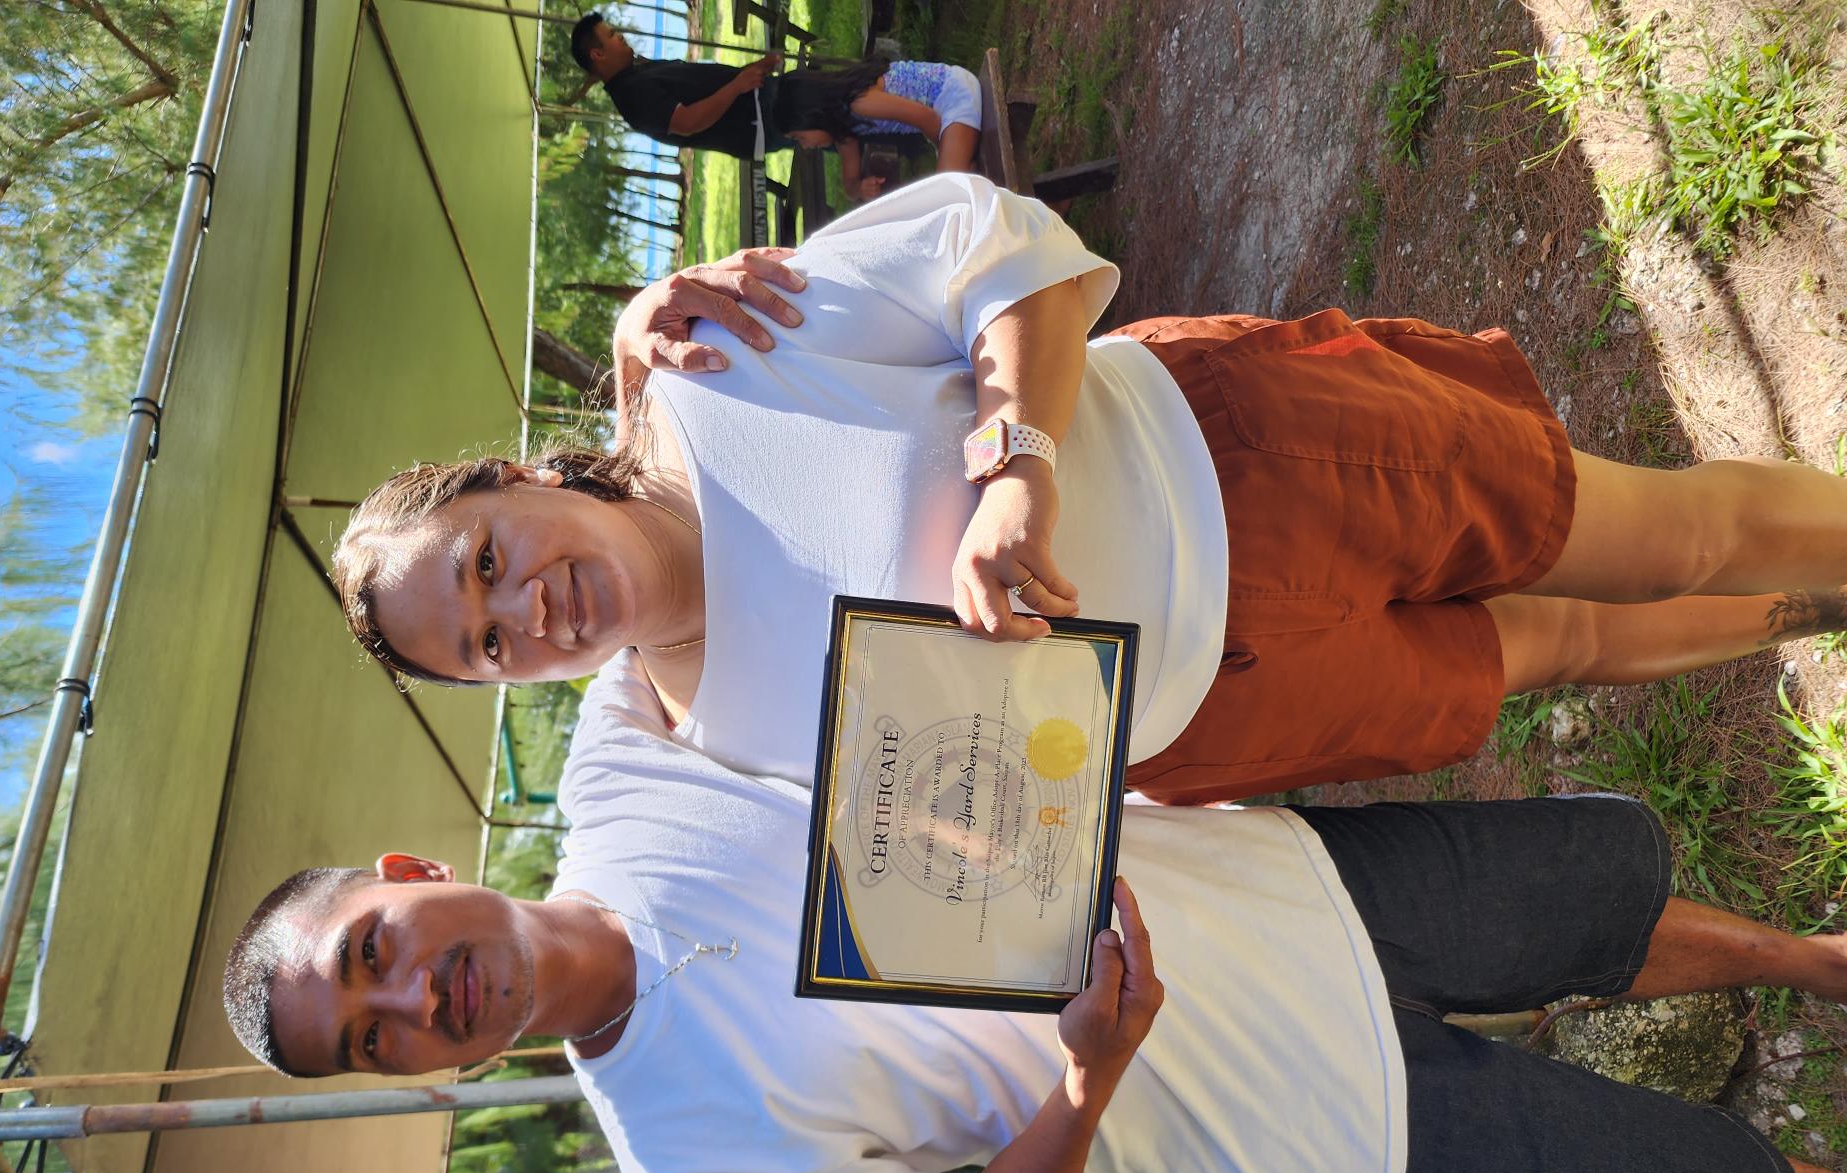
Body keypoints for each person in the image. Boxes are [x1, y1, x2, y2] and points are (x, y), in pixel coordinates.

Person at [224, 653, 1846, 1173]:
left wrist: (665, 355)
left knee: (1589, 900)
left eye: (371, 955)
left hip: (1271, 882)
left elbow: (670, 542)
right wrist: (1086, 1079)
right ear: (416, 1079)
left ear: (408, 875)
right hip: (1294, 1124)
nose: (411, 1003)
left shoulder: (622, 763)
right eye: (374, 1040)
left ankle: (1820, 966)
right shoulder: (682, 1168)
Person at [330, 175, 1847, 805]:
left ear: (510, 479)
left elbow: (1008, 254)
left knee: (1660, 535)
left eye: (484, 560)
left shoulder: (719, 359)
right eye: (486, 648)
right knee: (1560, 647)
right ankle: (1824, 607)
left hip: (1246, 466)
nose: (524, 612)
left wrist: (1017, 472)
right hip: (1217, 714)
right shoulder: (708, 744)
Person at [571, 11, 788, 160]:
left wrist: (756, 68)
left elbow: (707, 84)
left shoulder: (637, 72)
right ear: (598, 54)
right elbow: (687, 122)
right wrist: (737, 86)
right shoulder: (631, 96)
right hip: (758, 120)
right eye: (611, 35)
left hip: (760, 98)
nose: (620, 36)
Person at [773, 59, 985, 196]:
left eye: (799, 137)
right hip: (943, 114)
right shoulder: (844, 130)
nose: (805, 146)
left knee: (946, 192)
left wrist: (945, 152)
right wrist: (859, 188)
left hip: (952, 94)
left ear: (811, 115)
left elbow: (927, 118)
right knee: (947, 190)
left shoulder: (859, 102)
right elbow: (850, 186)